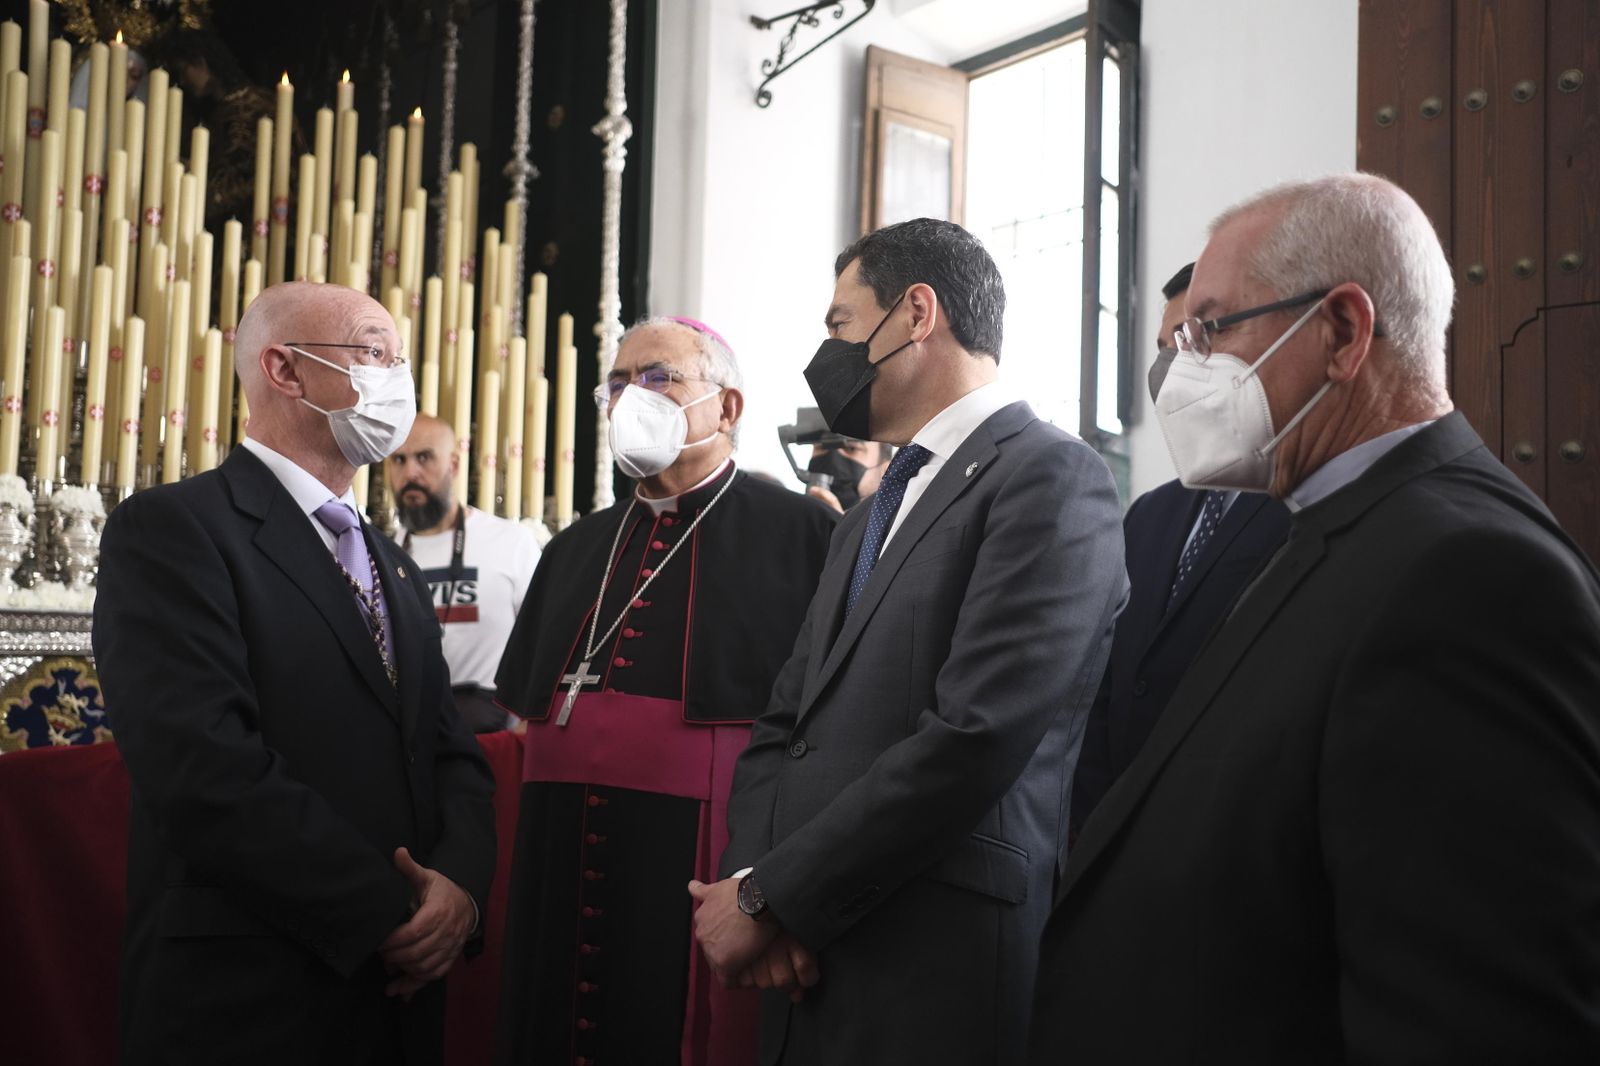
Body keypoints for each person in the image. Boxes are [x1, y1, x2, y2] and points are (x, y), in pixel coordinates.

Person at [1029, 174, 1600, 1063]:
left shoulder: (1470, 576)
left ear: (1341, 332)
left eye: (1212, 329)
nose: (1185, 370)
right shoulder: (1342, 521)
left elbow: (1471, 1014)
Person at [693, 217, 1127, 1065]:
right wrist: (751, 882)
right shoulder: (868, 517)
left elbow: (976, 735)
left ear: (916, 314)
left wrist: (775, 897)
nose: (829, 352)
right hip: (805, 958)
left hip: (931, 957)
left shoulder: (1049, 474)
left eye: (841, 324)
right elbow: (786, 723)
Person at [93, 281, 496, 1066]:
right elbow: (202, 766)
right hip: (254, 990)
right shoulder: (175, 529)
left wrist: (459, 894)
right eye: (373, 353)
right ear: (285, 370)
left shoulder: (394, 564)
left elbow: (451, 754)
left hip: (400, 997)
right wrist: (391, 911)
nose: (397, 379)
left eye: (400, 359)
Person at [492, 316, 837, 1066]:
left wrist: (782, 887)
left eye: (658, 378)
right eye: (616, 384)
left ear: (727, 407)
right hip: (558, 857)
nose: (630, 398)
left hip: (706, 863)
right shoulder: (571, 548)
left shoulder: (805, 535)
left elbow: (834, 736)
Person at [1068, 262, 1290, 840]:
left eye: (1193, 338)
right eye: (1164, 346)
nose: (1171, 363)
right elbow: (1108, 677)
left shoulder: (1301, 500)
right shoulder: (1149, 514)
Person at [387, 413, 540, 733]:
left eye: (424, 457)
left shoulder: (511, 542)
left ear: (454, 465)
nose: (410, 472)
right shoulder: (381, 554)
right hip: (410, 735)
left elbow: (545, 642)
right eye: (398, 460)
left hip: (494, 736)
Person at [804, 437, 891, 512]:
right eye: (823, 447)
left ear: (885, 469)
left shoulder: (895, 523)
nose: (833, 461)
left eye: (851, 448)